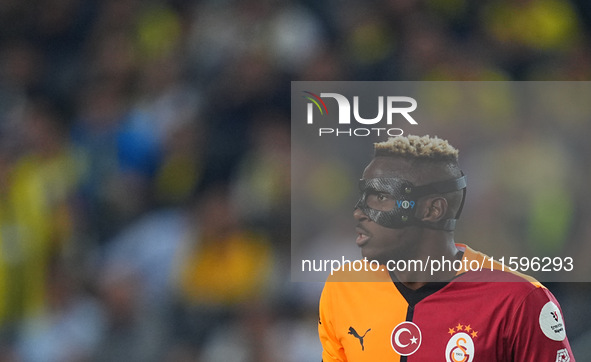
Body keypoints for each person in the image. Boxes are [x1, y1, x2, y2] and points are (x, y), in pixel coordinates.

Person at [318, 135, 575, 361]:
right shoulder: (343, 288)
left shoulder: (518, 299)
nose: (359, 213)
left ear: (432, 210)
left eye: (382, 197)